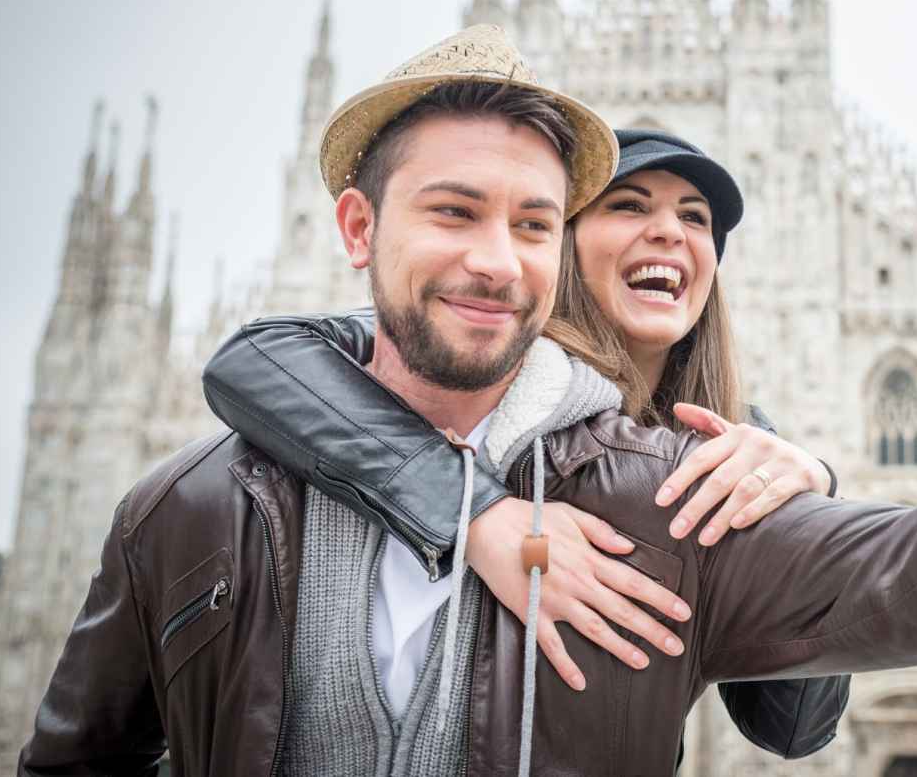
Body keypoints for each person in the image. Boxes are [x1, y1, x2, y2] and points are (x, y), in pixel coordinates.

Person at [20, 24, 917, 776]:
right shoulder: (201, 498)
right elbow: (255, 358)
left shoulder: (680, 489)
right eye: (456, 212)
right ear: (361, 231)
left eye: (524, 219)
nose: (495, 257)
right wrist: (470, 505)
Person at [202, 127, 854, 763]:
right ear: (562, 246)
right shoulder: (481, 364)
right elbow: (258, 357)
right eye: (628, 205)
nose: (668, 230)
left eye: (695, 217)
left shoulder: (729, 442)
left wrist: (811, 503)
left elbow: (791, 727)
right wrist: (479, 512)